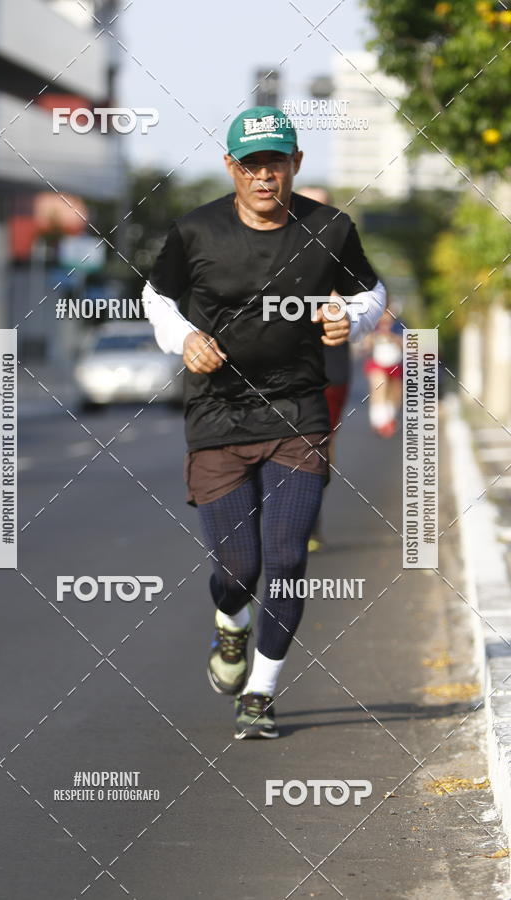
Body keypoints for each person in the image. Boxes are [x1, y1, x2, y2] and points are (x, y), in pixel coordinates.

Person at [143, 106, 386, 739]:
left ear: (295, 163)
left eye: (275, 163)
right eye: (250, 165)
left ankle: (261, 690)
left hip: (298, 411)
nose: (264, 177)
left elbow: (370, 291)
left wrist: (352, 319)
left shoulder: (328, 228)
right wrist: (184, 337)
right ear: (230, 167)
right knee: (238, 571)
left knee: (285, 556)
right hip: (218, 414)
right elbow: (157, 296)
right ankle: (231, 624)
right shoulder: (196, 231)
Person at [297, 186, 352, 552]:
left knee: (317, 442)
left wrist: (343, 307)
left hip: (330, 367)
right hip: (274, 367)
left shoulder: (345, 253)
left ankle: (308, 518)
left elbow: (374, 299)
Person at [364, 310, 404, 438]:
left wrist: (392, 337)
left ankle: (389, 418)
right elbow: (366, 345)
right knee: (380, 387)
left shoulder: (399, 326)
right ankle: (378, 420)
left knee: (395, 393)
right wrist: (372, 337)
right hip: (378, 364)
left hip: (395, 364)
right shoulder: (374, 326)